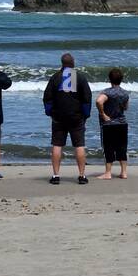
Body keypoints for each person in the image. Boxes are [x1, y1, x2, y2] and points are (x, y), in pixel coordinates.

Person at [42, 52, 91, 184]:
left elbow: (47, 98)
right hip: (76, 117)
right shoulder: (80, 77)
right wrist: (86, 115)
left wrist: (50, 112)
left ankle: (56, 175)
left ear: (62, 63)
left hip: (58, 117)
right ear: (73, 63)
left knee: (57, 145)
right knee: (79, 145)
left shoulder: (55, 77)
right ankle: (81, 176)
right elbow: (87, 99)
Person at [96, 68, 131, 179]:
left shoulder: (107, 92)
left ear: (109, 79)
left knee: (109, 147)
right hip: (122, 123)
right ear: (121, 79)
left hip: (109, 124)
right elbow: (126, 107)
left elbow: (98, 101)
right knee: (122, 147)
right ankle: (124, 172)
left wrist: (103, 114)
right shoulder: (125, 93)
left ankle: (108, 173)